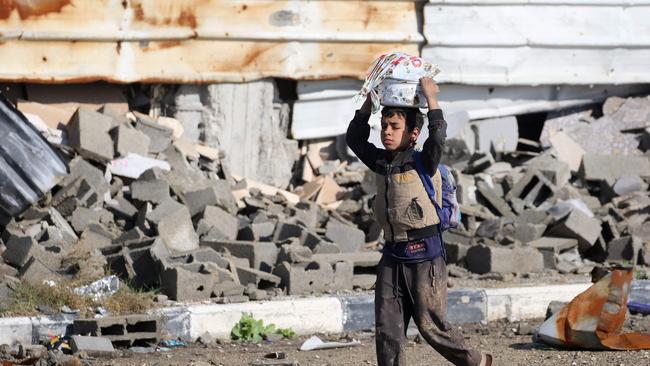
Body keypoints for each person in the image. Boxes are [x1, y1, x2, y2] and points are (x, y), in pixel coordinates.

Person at [346, 77, 493, 366]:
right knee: (388, 329)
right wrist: (368, 105)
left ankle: (476, 361)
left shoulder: (424, 161)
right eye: (384, 126)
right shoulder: (381, 162)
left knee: (431, 327)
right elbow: (354, 140)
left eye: (394, 127)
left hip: (424, 255)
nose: (386, 132)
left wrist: (432, 101)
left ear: (413, 134)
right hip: (392, 256)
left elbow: (437, 137)